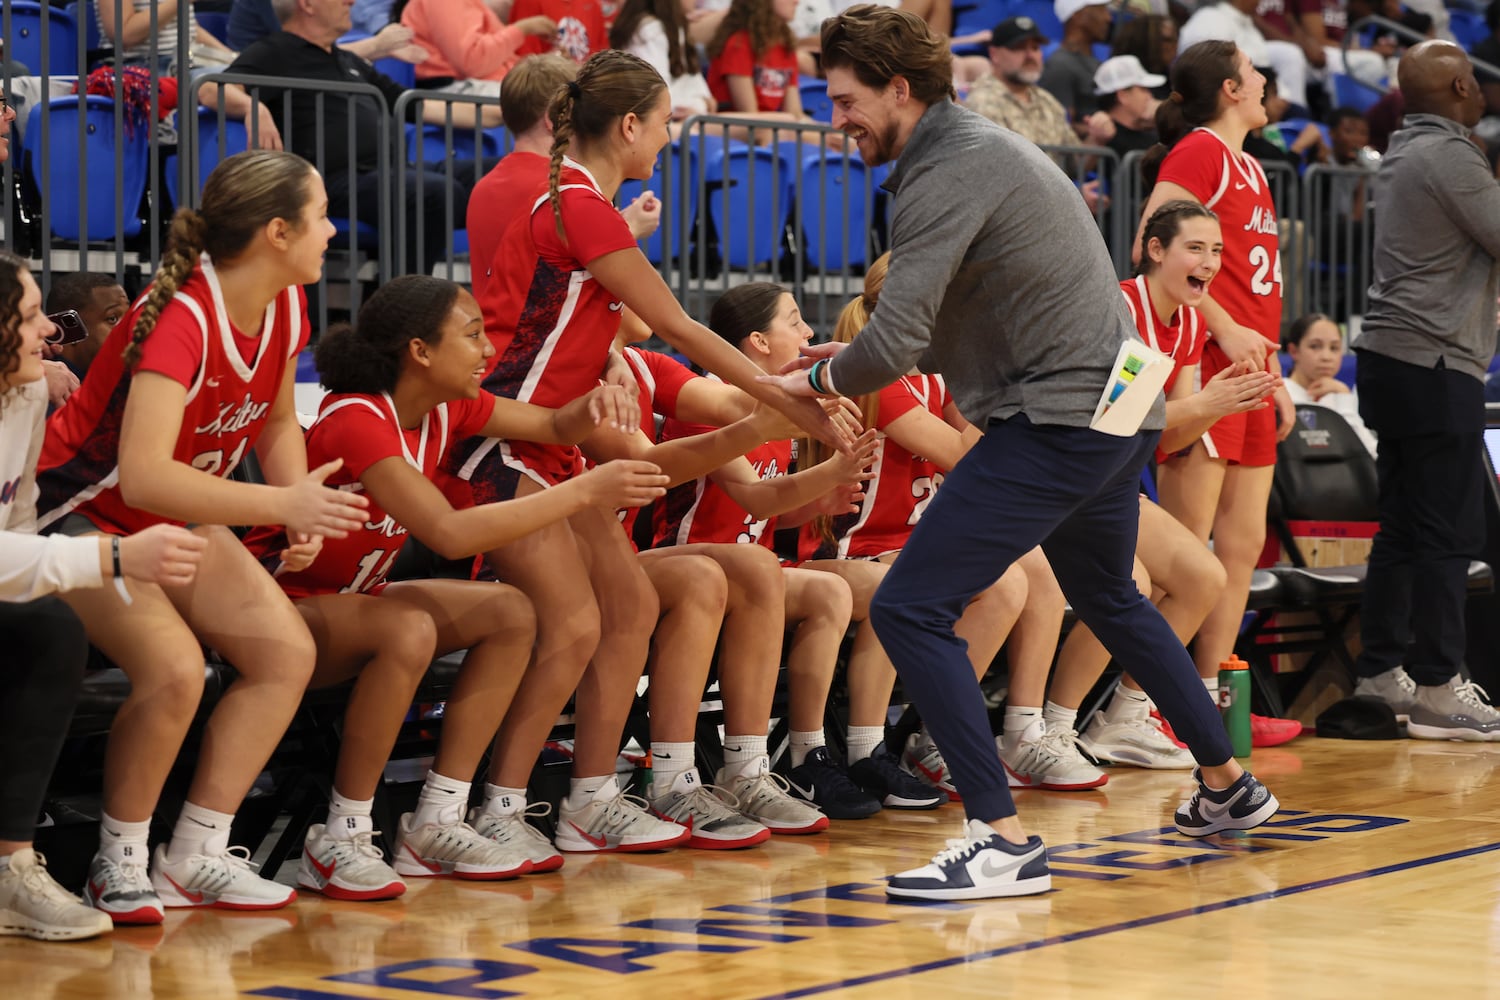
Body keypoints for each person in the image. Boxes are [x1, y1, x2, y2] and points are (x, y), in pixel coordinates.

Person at [760, 6, 1279, 901]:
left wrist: (808, 383)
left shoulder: (941, 170)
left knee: (913, 607)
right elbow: (965, 312)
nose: (832, 117)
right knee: (1112, 596)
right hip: (1118, 404)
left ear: (897, 88)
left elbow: (890, 345)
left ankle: (997, 840)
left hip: (1062, 414)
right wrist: (845, 360)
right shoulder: (974, 150)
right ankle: (1229, 787)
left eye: (845, 99)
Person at [454, 49, 848, 861]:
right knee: (570, 624)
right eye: (666, 122)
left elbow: (627, 334)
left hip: (556, 439)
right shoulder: (578, 208)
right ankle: (485, 806)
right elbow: (680, 328)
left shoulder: (575, 203)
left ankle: (593, 797)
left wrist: (785, 397)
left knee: (627, 609)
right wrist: (786, 397)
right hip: (506, 437)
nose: (670, 138)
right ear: (629, 125)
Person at [245, 276, 667, 894]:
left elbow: (553, 425)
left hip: (357, 604)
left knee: (511, 613)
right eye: (471, 337)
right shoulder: (357, 419)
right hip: (282, 609)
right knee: (408, 626)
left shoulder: (447, 408)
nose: (487, 351)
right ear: (420, 352)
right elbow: (447, 533)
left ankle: (438, 817)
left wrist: (594, 403)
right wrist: (582, 491)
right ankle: (342, 833)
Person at [35, 149, 371, 924]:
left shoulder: (286, 303)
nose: (332, 231)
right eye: (319, 216)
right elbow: (144, 473)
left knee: (285, 652)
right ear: (277, 231)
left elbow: (282, 419)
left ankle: (198, 852)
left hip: (169, 512)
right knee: (176, 669)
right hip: (78, 510)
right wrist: (280, 505)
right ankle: (116, 860)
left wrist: (297, 496)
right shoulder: (182, 317)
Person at [652, 283, 939, 818]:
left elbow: (767, 516)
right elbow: (752, 495)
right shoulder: (710, 400)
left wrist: (822, 495)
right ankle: (779, 758)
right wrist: (829, 473)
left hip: (758, 568)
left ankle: (827, 751)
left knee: (875, 590)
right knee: (824, 587)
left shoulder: (782, 409)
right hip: (694, 565)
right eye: (795, 320)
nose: (809, 332)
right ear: (758, 341)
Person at [0, 252, 208, 942]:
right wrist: (113, 554)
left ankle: (12, 867)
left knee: (48, 628)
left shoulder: (28, 394)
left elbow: (16, 522)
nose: (53, 340)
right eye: (33, 320)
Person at [1041, 201, 1281, 769]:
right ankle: (1050, 728)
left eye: (1217, 251)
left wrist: (1214, 403)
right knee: (1134, 585)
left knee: (1204, 578)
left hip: (1115, 481)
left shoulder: (1193, 322)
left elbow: (1169, 440)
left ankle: (1125, 713)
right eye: (1195, 248)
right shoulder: (1122, 306)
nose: (1209, 262)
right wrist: (1204, 403)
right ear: (1156, 251)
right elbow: (1112, 415)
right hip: (1065, 477)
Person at [797, 256, 1035, 797]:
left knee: (1011, 582)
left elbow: (981, 445)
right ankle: (866, 746)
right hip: (854, 546)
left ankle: (931, 734)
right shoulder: (881, 378)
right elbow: (963, 454)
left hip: (906, 541)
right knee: (906, 587)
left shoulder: (934, 376)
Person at [1136, 41, 1301, 751]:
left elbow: (1256, 283)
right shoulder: (1199, 152)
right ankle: (1151, 703)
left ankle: (1208, 698)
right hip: (1204, 364)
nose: (1267, 82)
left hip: (1252, 371)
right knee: (1189, 552)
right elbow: (1157, 244)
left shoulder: (1251, 165)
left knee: (1242, 546)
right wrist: (1227, 333)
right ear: (1232, 88)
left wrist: (1277, 371)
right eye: (1257, 73)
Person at [1345, 40, 1500, 739]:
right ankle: (1439, 686)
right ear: (1464, 87)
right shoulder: (1453, 156)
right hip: (1436, 362)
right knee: (1447, 531)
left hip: (1390, 359)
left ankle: (1381, 670)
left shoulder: (1406, 150)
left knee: (1404, 525)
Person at [229, 0, 498, 276]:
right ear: (307, 4)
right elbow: (212, 88)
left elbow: (421, 107)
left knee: (497, 174)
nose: (351, 1)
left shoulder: (347, 60)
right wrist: (254, 108)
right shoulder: (274, 53)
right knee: (432, 193)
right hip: (334, 180)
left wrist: (509, 112)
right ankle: (402, 305)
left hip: (390, 171)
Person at [963, 17, 1108, 213]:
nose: (1030, 55)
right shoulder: (982, 101)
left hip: (1051, 214)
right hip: (1009, 219)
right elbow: (1003, 175)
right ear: (994, 54)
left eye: (1035, 48)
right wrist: (1071, 195)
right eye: (1019, 47)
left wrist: (1096, 139)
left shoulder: (1047, 100)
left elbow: (1075, 163)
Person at [399, 0, 559, 96]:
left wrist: (551, 62)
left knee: (563, 89)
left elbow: (496, 62)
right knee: (553, 101)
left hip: (483, 87)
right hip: (459, 92)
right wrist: (522, 29)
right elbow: (472, 62)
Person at [1282, 312, 1378, 456]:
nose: (1326, 357)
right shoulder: (1280, 393)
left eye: (1334, 348)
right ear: (1294, 351)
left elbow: (1371, 454)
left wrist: (1343, 397)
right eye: (1315, 346)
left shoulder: (1342, 395)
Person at [612, 0, 716, 121]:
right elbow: (657, 97)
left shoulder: (675, 26)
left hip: (682, 120)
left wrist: (701, 105)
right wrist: (699, 106)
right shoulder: (649, 30)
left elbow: (704, 95)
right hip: (651, 125)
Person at [707, 0, 804, 115]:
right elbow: (749, 114)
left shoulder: (786, 47)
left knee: (824, 129)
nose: (797, 2)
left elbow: (795, 114)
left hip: (771, 126)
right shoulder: (738, 44)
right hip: (732, 126)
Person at [1038, 0, 1112, 138]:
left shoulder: (1096, 61)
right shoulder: (1060, 65)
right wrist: (1100, 131)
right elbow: (1059, 126)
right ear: (1077, 15)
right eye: (1101, 10)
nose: (1108, 18)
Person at [43, 273, 130, 380]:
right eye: (112, 319)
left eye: (130, 317)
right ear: (71, 329)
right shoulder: (46, 389)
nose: (130, 328)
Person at [1094, 54, 1165, 157]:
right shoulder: (1104, 137)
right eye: (1143, 89)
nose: (1149, 96)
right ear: (1123, 96)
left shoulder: (1153, 135)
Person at [1111, 13, 1178, 99]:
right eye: (1167, 40)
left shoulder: (1172, 82)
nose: (1175, 45)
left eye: (1176, 39)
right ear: (1144, 41)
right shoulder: (1124, 85)